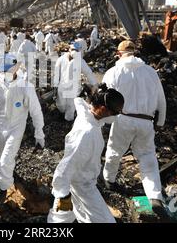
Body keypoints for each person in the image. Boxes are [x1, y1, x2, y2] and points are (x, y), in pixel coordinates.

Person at [102, 40, 167, 217]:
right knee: (147, 158)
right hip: (146, 121)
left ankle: (109, 180)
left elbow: (104, 99)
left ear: (119, 54)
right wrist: (160, 122)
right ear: (135, 53)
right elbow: (161, 100)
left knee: (115, 151)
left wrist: (105, 122)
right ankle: (155, 197)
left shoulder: (113, 72)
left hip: (123, 119)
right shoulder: (151, 72)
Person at [0, 54, 45, 205]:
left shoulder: (25, 87)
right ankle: (8, 175)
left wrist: (39, 133)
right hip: (2, 126)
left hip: (17, 127)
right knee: (4, 156)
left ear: (16, 68)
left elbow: (36, 111)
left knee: (5, 159)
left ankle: (2, 189)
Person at [48, 84, 124, 223]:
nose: (115, 117)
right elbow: (67, 164)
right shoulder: (87, 133)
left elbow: (80, 102)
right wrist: (63, 195)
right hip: (82, 186)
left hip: (77, 181)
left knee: (61, 218)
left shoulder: (88, 116)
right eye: (115, 113)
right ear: (102, 109)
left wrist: (88, 95)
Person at [54, 42, 98, 121]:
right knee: (61, 104)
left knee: (71, 105)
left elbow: (88, 72)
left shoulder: (80, 61)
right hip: (62, 86)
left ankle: (68, 120)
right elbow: (56, 72)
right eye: (73, 49)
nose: (74, 52)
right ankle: (61, 113)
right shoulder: (61, 59)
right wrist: (55, 85)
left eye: (76, 50)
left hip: (74, 87)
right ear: (69, 50)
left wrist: (94, 84)